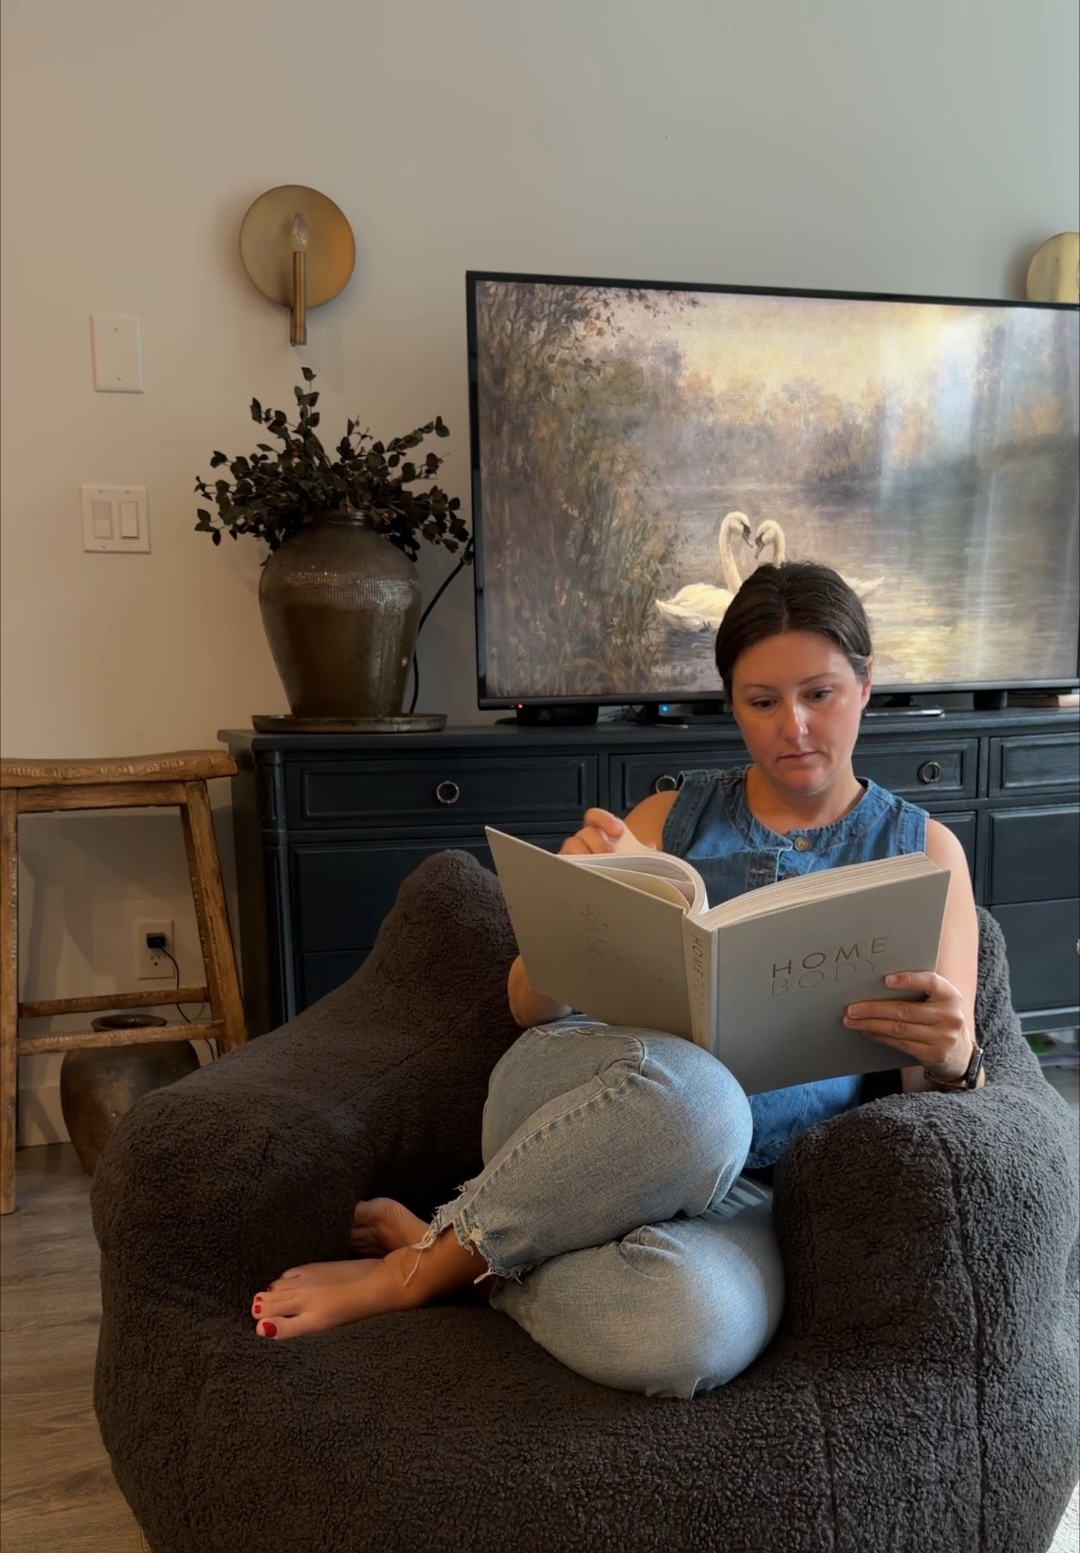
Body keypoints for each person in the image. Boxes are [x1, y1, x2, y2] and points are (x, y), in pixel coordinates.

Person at [250, 561, 984, 1394]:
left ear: (865, 681)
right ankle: (413, 1271)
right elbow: (532, 1007)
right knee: (702, 1100)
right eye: (762, 701)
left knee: (690, 1334)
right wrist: (569, 919)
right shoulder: (662, 821)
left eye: (819, 693)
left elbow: (925, 1091)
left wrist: (955, 1054)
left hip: (746, 1183)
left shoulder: (924, 855)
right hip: (577, 1107)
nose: (796, 728)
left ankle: (480, 1263)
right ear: (730, 702)